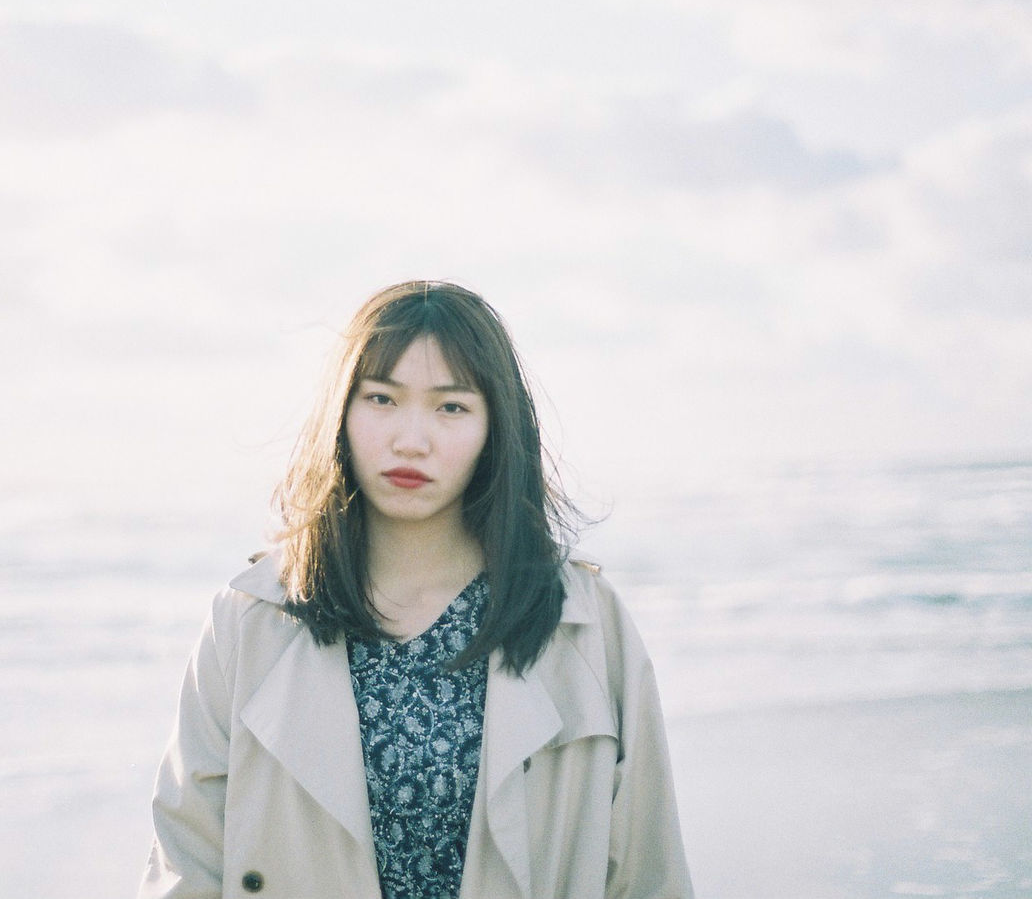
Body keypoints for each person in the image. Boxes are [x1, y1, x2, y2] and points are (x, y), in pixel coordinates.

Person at [138, 281, 693, 899]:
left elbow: (646, 867)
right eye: (381, 399)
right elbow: (186, 863)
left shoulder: (582, 622)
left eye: (451, 407)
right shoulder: (251, 620)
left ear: (495, 428)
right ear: (340, 414)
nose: (411, 439)